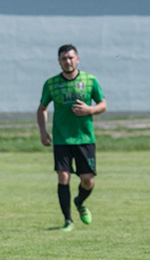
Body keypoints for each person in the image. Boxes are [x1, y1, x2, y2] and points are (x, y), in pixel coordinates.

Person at [37, 44, 107, 232]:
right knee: (63, 177)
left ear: (77, 59)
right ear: (59, 61)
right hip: (61, 139)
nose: (67, 61)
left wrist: (89, 110)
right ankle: (68, 220)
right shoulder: (51, 84)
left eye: (70, 57)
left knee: (87, 180)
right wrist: (43, 132)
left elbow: (103, 104)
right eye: (63, 58)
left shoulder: (90, 80)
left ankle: (80, 201)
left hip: (84, 138)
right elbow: (42, 108)